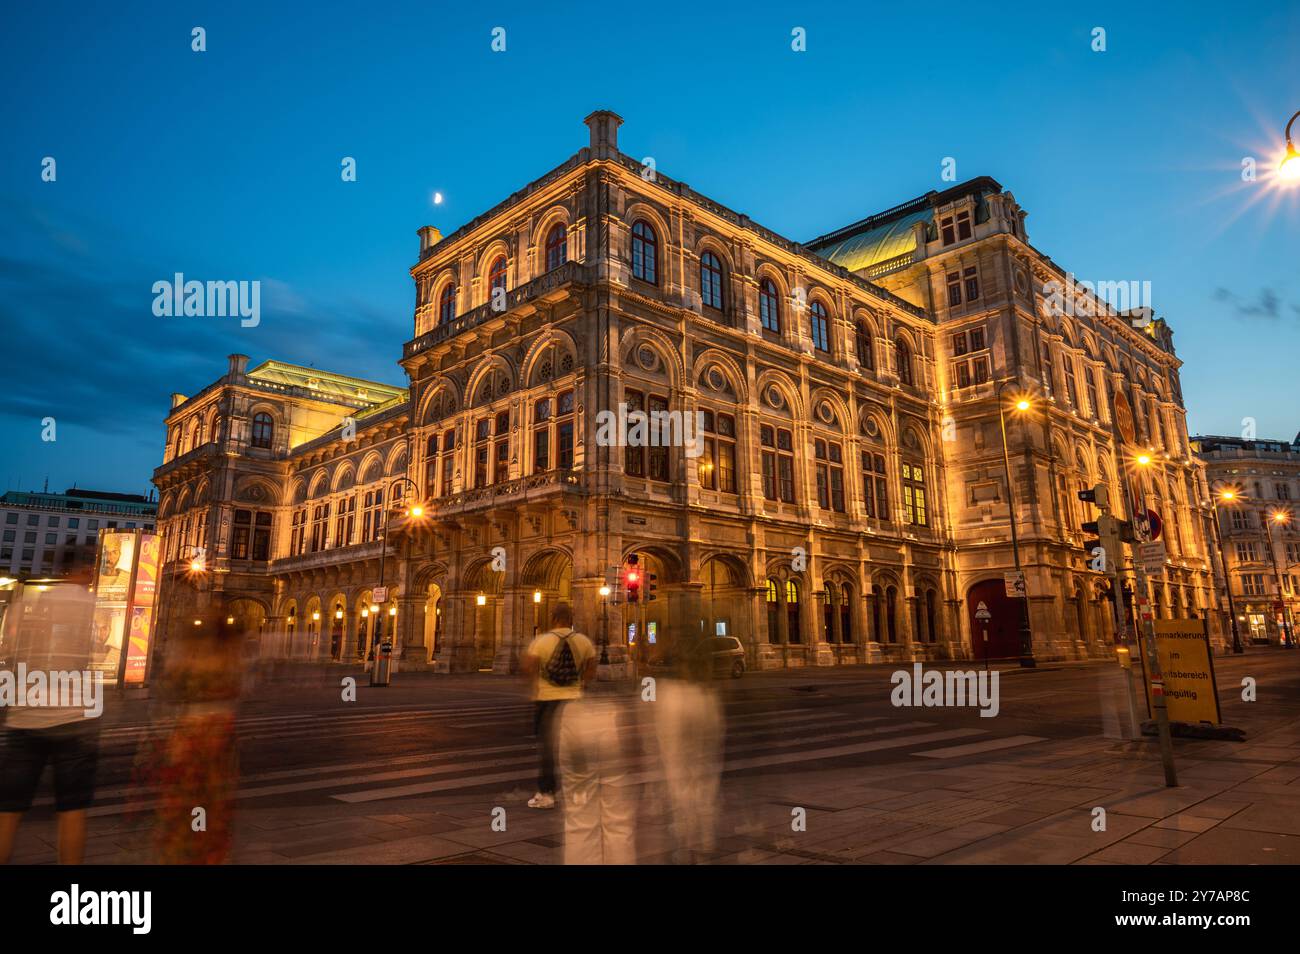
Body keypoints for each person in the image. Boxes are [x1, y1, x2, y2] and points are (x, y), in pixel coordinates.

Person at [0, 574, 102, 865]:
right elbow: (95, 655)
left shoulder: (24, 605)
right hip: (74, 722)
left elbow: (8, 654)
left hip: (25, 718)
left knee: (8, 809)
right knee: (72, 809)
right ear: (84, 571)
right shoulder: (90, 605)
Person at [520, 603, 595, 810]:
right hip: (574, 701)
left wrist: (535, 687)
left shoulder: (542, 641)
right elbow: (591, 668)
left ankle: (547, 794)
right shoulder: (583, 641)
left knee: (548, 748)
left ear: (553, 618)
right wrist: (581, 684)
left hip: (548, 700)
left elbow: (529, 667)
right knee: (577, 748)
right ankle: (580, 793)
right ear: (571, 618)